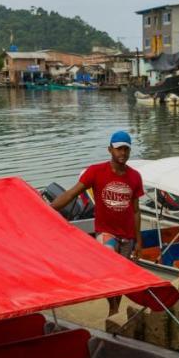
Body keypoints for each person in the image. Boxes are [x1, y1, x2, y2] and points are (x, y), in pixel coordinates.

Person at [51, 130, 143, 317]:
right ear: (110, 150)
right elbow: (71, 194)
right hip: (106, 232)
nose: (122, 153)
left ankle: (115, 307)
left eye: (126, 149)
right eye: (118, 149)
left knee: (122, 277)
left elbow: (136, 211)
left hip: (128, 236)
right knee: (110, 272)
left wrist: (139, 241)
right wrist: (48, 208)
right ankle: (113, 307)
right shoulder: (95, 172)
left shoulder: (135, 177)